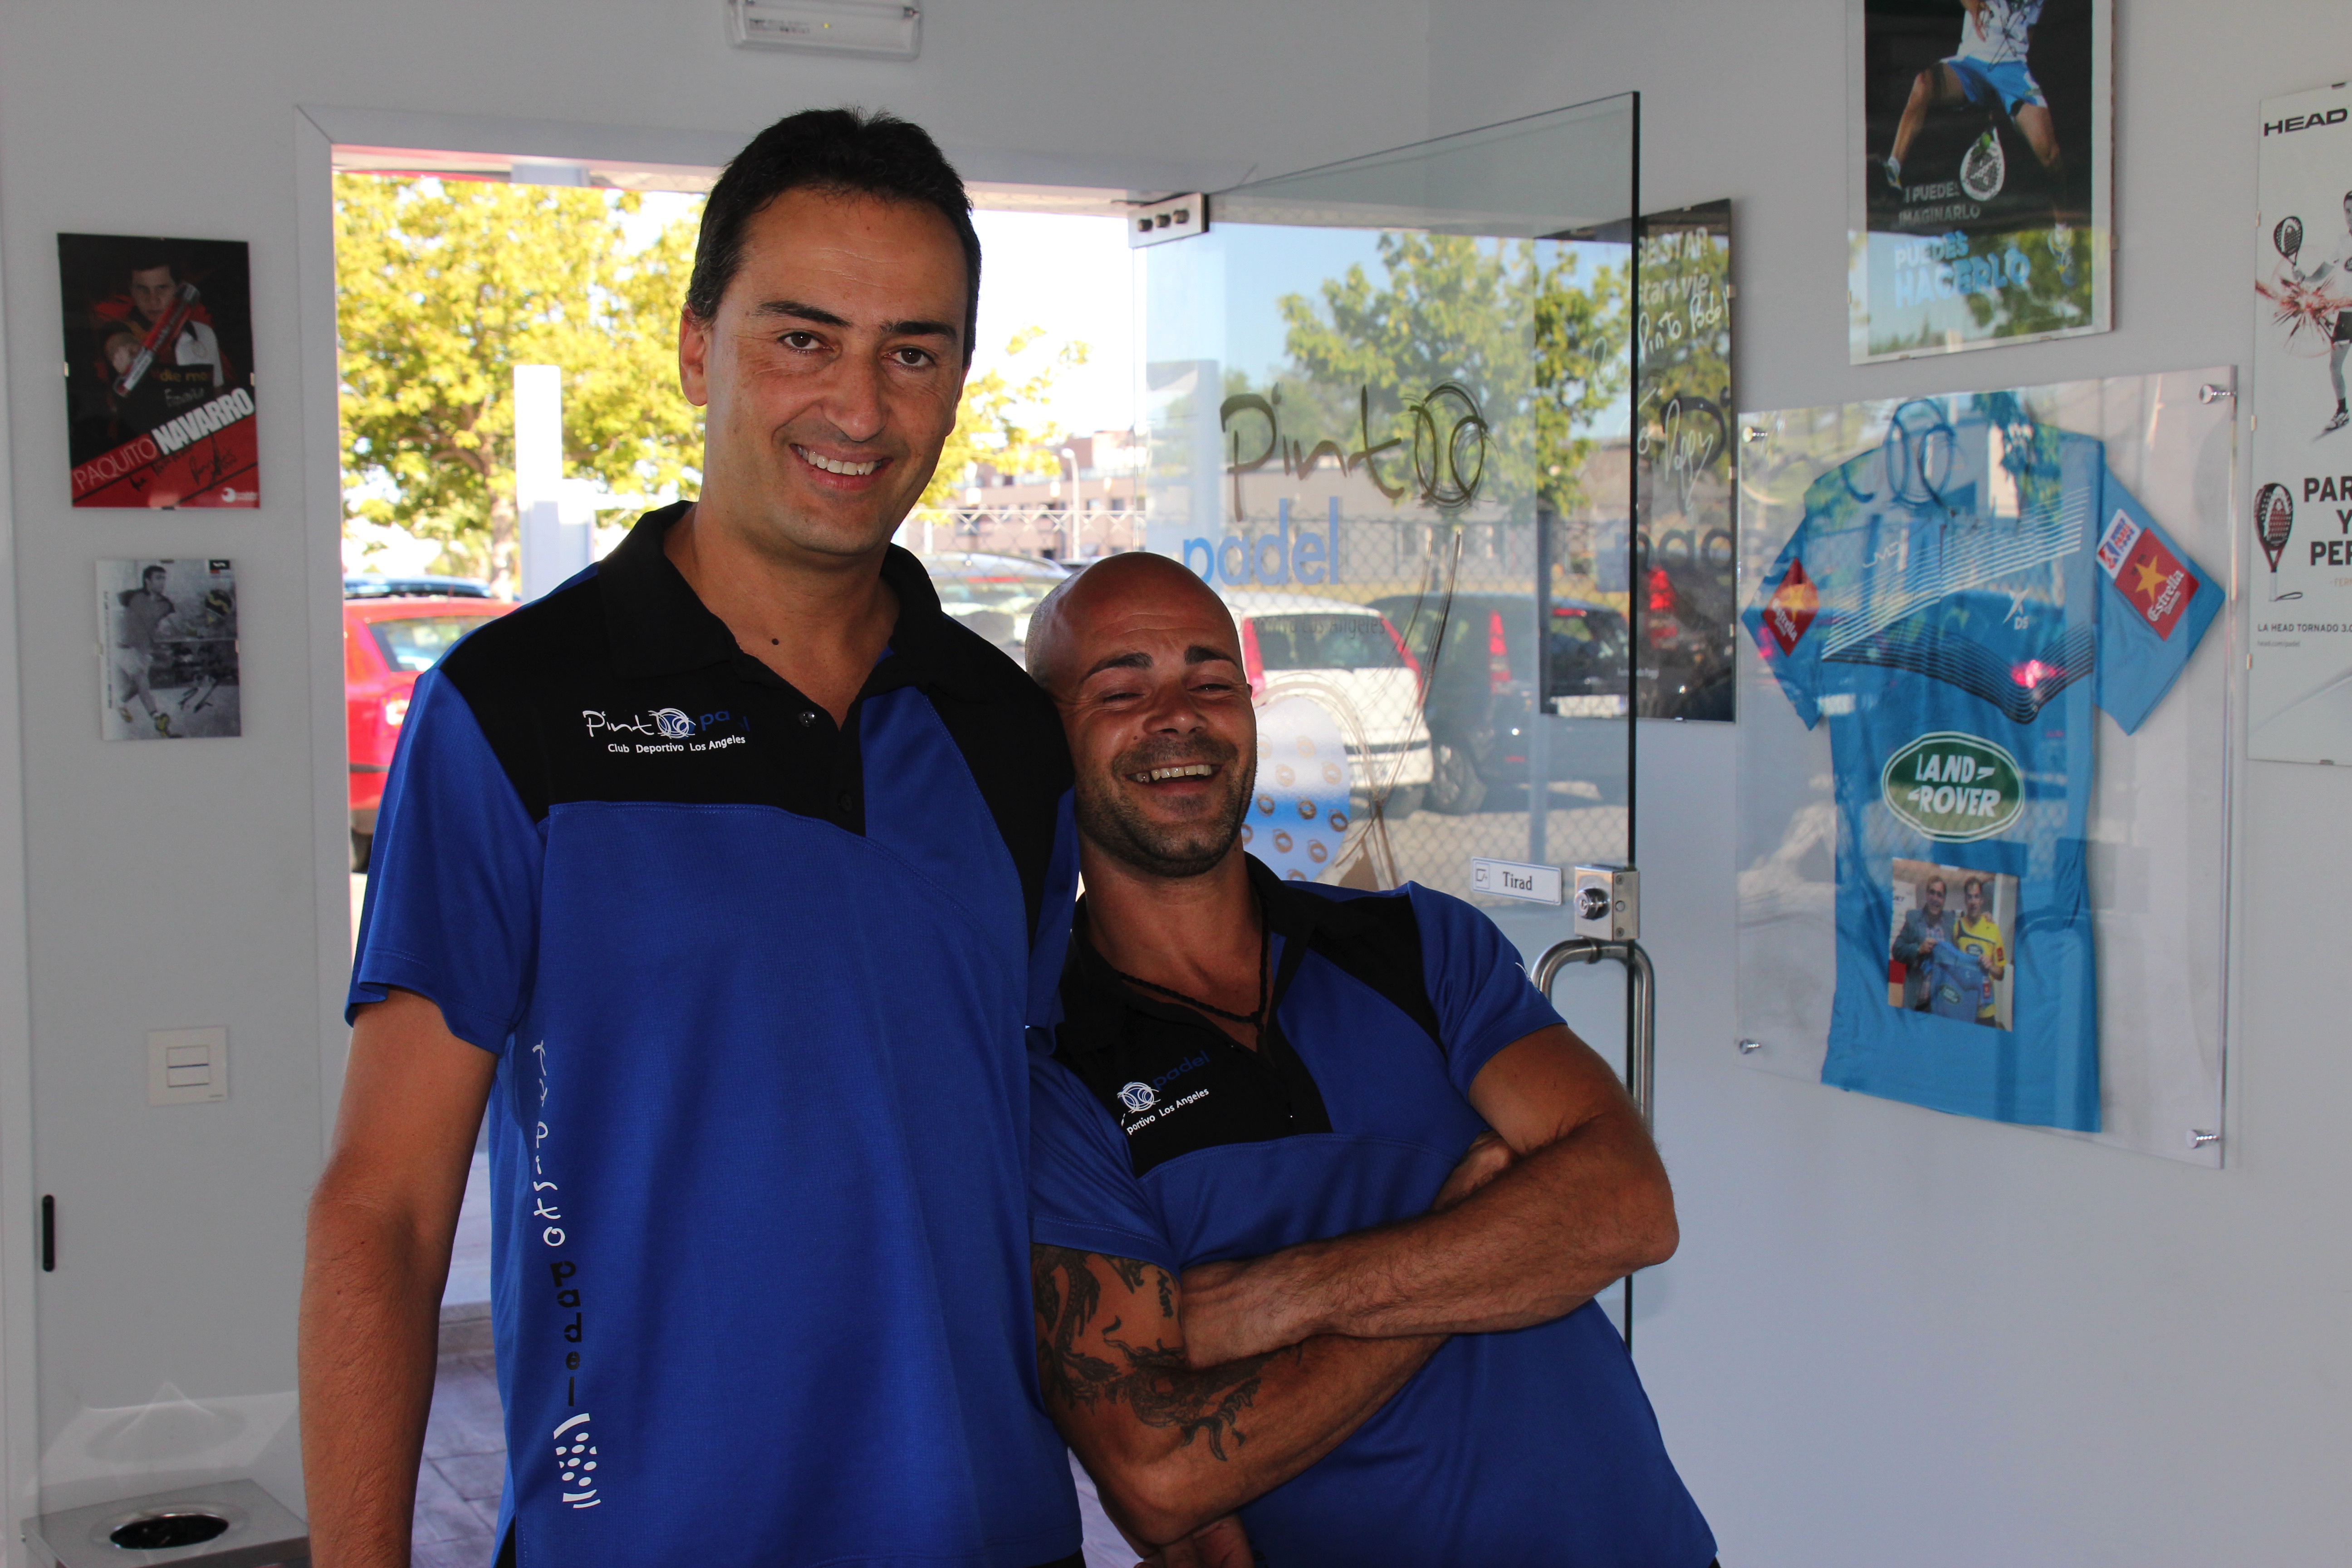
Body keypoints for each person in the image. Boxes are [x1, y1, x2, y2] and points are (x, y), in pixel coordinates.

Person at [301, 110, 1093, 1568]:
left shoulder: (1005, 733)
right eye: (803, 339)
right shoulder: (513, 713)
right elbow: (387, 1211)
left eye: (913, 353)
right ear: (695, 350)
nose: (859, 406)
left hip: (984, 1528)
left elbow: (1032, 1151)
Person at [1019, 553, 1716, 1567]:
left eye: (1212, 681)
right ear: (1045, 736)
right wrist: (1475, 1237)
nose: (1180, 717)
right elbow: (1163, 1480)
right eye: (1122, 691)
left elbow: (1627, 1208)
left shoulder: (1420, 944)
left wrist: (1270, 1301)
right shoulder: (1054, 1071)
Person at [1883, 0, 2067, 239]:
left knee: (2050, 155)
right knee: (1923, 83)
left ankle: (2063, 228)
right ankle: (1893, 170)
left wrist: (2005, 91)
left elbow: (2029, 31)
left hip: (2013, 71)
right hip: (1969, 64)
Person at [93, 250, 233, 436]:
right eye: (143, 289)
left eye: (162, 288)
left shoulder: (203, 334)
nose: (153, 299)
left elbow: (217, 394)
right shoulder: (118, 328)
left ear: (178, 289)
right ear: (132, 291)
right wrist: (125, 351)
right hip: (145, 447)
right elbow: (117, 342)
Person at [2289, 191, 2352, 435]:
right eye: (2348, 211)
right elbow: (2323, 273)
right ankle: (2342, 411)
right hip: (2348, 315)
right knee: (2335, 366)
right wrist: (2304, 278)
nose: (2351, 216)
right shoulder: (2342, 243)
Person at [110, 564, 181, 736]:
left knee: (137, 687)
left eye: (164, 578)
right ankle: (157, 718)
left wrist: (176, 627)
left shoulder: (166, 604)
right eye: (159, 578)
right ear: (148, 581)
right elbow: (106, 603)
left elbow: (176, 623)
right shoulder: (131, 596)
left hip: (144, 652)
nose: (163, 582)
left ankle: (118, 702)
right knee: (141, 679)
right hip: (124, 648)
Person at [1890, 874, 1954, 1012]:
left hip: (1937, 1004)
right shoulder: (1913, 918)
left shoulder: (1950, 921)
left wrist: (1987, 917)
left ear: (1944, 899)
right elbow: (1897, 950)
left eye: (1940, 895)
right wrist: (1919, 949)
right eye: (1932, 893)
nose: (1935, 898)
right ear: (1927, 894)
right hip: (1915, 1002)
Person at [1953, 875, 2008, 1027]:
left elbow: (2001, 974)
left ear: (1982, 900)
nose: (1973, 901)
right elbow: (1953, 965)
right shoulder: (1957, 928)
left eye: (1977, 897)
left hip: (1986, 1011)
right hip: (1963, 1006)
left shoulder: (1993, 929)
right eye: (1970, 897)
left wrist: (1991, 967)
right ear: (1965, 900)